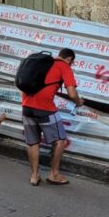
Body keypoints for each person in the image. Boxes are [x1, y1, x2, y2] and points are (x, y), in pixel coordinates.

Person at [21, 47, 84, 186]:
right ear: (69, 59)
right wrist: (79, 102)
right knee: (60, 140)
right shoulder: (63, 66)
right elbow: (72, 94)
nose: (71, 65)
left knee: (33, 142)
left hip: (26, 108)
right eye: (72, 63)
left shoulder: (41, 63)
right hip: (45, 109)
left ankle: (34, 176)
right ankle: (54, 174)